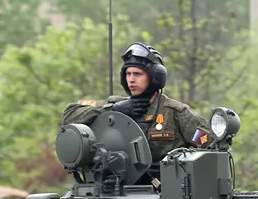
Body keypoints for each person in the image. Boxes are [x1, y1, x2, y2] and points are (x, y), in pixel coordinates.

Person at [61, 43, 215, 169]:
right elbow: (69, 116)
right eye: (128, 74)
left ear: (155, 77)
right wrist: (113, 110)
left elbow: (211, 146)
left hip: (165, 193)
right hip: (116, 190)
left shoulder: (175, 113)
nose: (131, 79)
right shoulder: (115, 106)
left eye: (138, 74)